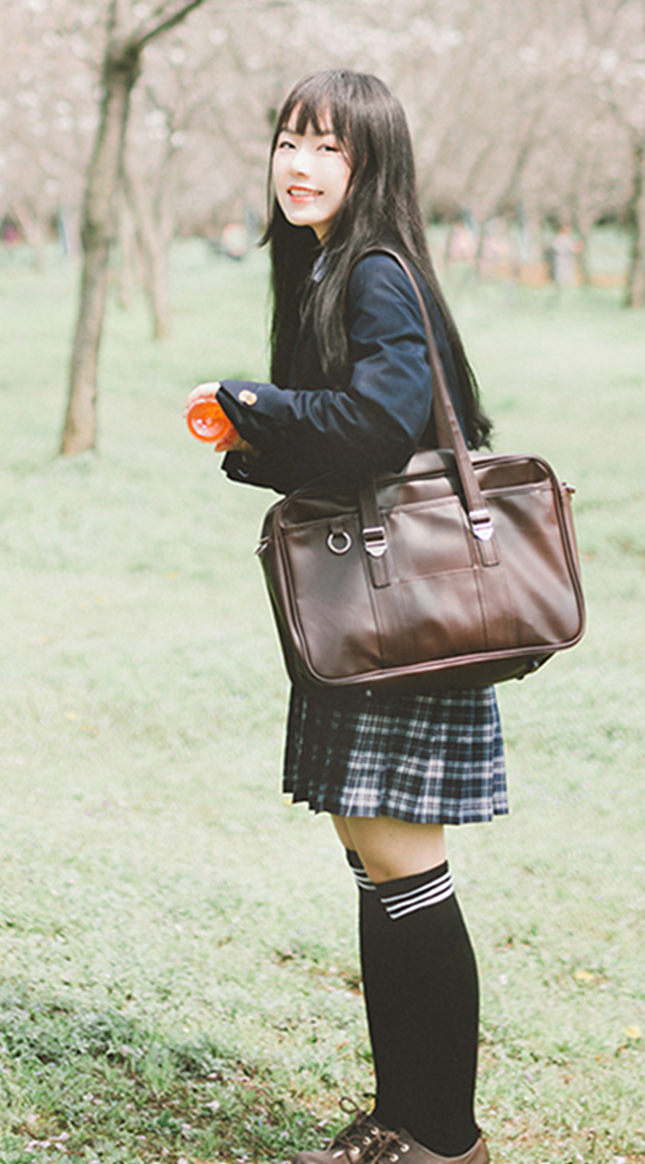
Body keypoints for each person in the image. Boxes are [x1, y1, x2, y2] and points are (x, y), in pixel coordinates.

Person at [187, 70, 500, 1164]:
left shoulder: (373, 270)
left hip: (398, 610)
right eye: (289, 139)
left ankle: (442, 1136)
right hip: (364, 605)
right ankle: (401, 1117)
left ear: (373, 170)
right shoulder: (323, 267)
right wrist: (254, 443)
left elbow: (380, 423)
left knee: (406, 865)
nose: (301, 163)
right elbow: (343, 438)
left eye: (332, 148)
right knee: (379, 862)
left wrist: (262, 406)